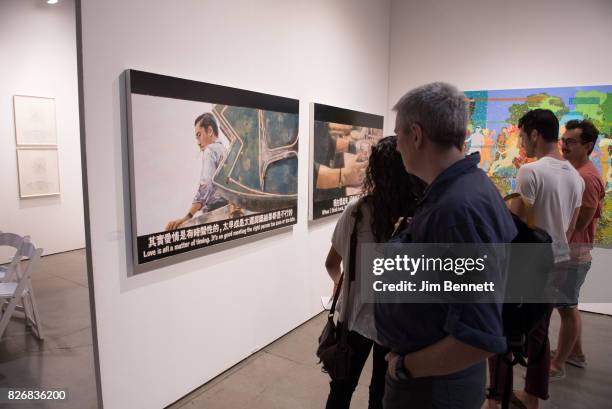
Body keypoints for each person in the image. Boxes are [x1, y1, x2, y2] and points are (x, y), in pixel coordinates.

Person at [375, 82, 517, 409]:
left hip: (433, 388)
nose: (396, 147)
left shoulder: (458, 210)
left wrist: (404, 369)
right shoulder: (461, 190)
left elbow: (477, 338)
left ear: (416, 134)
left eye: (397, 136)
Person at [488, 109, 584, 409]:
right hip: (558, 261)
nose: (520, 143)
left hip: (527, 264)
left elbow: (513, 223)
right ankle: (532, 398)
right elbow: (572, 226)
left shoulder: (531, 171)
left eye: (522, 136)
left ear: (534, 134)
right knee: (539, 335)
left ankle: (496, 398)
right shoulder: (575, 176)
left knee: (504, 329)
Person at [324, 136, 424, 409]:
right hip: (395, 324)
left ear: (374, 172)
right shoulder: (419, 219)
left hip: (354, 319)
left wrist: (340, 285)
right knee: (381, 395)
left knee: (340, 390)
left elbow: (331, 264)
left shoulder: (356, 213)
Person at [550, 120, 605, 380]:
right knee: (567, 306)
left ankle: (559, 363)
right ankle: (575, 354)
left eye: (570, 142)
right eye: (563, 141)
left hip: (573, 256)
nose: (564, 146)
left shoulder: (586, 177)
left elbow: (580, 223)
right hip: (573, 254)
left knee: (568, 308)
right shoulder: (578, 172)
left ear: (588, 146)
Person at [166, 113, 228, 230]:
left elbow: (205, 186)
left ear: (209, 131)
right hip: (227, 209)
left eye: (199, 135)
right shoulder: (225, 150)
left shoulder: (210, 150)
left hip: (215, 212)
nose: (198, 143)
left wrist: (188, 216)